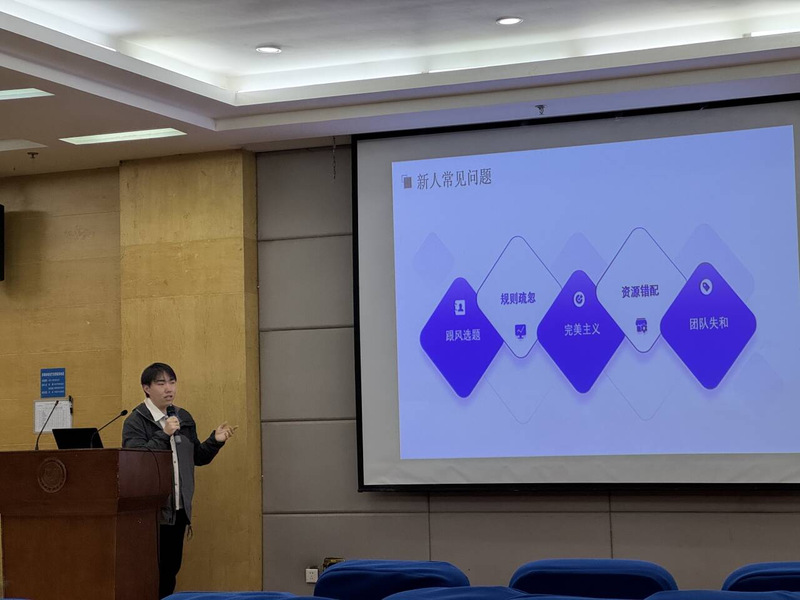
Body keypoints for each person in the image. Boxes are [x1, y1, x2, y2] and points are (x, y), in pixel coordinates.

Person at [122, 362, 235, 599]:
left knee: (170, 571)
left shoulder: (183, 417)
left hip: (178, 508)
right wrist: (164, 434)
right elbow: (137, 460)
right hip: (151, 512)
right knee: (148, 572)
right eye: (161, 383)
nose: (169, 388)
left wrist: (215, 441)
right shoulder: (135, 421)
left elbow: (197, 458)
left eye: (172, 382)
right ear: (146, 388)